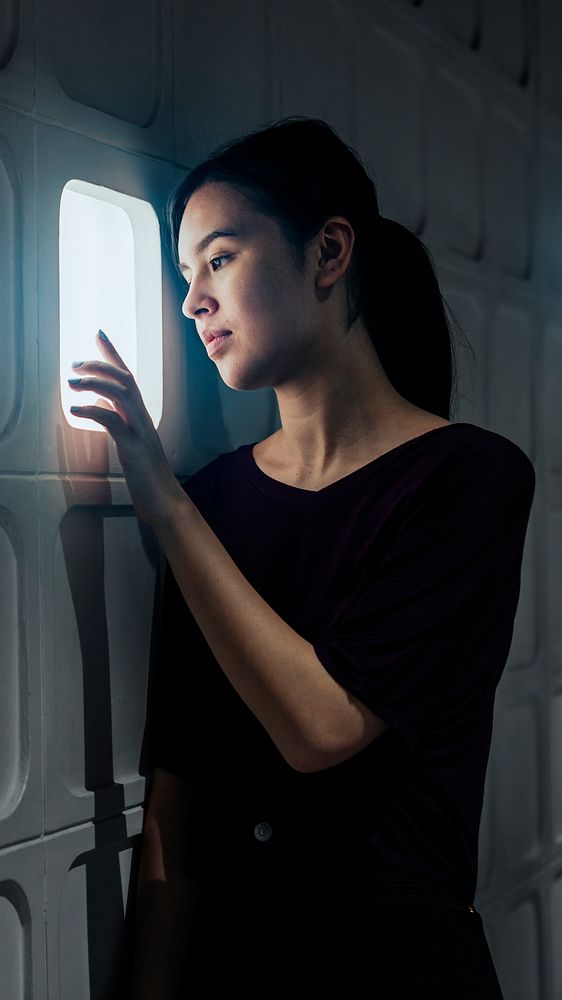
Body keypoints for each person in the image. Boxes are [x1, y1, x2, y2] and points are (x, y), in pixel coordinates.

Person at [67, 116, 535, 998]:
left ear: (327, 253)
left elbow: (322, 727)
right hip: (234, 968)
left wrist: (157, 489)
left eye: (220, 258)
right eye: (183, 276)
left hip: (395, 971)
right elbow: (177, 797)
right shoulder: (212, 503)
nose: (191, 301)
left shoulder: (469, 478)